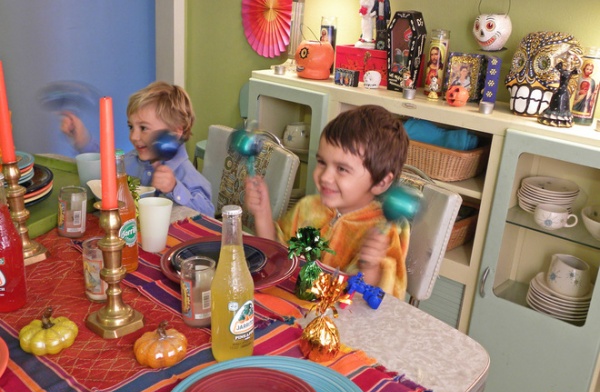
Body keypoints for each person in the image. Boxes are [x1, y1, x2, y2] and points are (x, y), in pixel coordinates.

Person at [244, 105, 410, 299]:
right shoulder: (308, 208)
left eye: (342, 169)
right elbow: (276, 258)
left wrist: (370, 267)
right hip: (292, 308)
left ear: (381, 182)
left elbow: (380, 303)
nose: (325, 177)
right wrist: (262, 212)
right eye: (322, 162)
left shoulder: (384, 231)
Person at [61, 81, 215, 216]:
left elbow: (208, 212)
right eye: (131, 127)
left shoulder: (185, 172)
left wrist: (174, 188)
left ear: (175, 131)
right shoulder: (131, 160)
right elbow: (107, 164)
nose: (134, 136)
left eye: (143, 128)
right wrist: (82, 139)